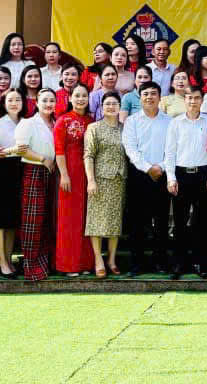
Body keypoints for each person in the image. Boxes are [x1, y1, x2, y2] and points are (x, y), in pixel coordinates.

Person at [165, 89, 207, 279]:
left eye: (196, 98)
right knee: (180, 221)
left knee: (201, 221)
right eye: (189, 98)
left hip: (202, 174)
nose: (193, 101)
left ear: (202, 100)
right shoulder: (176, 123)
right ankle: (179, 263)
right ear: (184, 100)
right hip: (181, 174)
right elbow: (170, 152)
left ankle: (200, 262)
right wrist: (171, 177)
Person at [123, 82, 174, 275]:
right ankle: (137, 263)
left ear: (160, 97)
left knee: (161, 221)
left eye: (154, 93)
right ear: (140, 97)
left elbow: (173, 148)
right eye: (145, 94)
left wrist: (160, 167)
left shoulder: (169, 121)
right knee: (137, 222)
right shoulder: (132, 121)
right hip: (139, 175)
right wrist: (147, 168)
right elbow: (130, 148)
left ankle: (160, 262)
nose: (150, 97)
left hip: (162, 174)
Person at [15, 88, 58, 281]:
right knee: (33, 220)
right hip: (34, 171)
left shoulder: (56, 122)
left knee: (48, 219)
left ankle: (45, 262)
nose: (48, 104)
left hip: (52, 173)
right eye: (45, 100)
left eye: (52, 100)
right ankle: (30, 265)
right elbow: (21, 149)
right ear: (37, 103)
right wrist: (42, 159)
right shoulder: (28, 123)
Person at [85, 92, 127, 278]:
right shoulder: (94, 128)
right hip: (100, 180)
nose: (111, 107)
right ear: (101, 107)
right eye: (107, 104)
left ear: (119, 107)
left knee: (115, 221)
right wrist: (91, 180)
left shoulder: (124, 128)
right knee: (96, 220)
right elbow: (88, 155)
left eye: (114, 103)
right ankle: (98, 259)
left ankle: (111, 259)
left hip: (119, 180)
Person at [54, 84, 95, 276]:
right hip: (69, 173)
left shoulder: (90, 121)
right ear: (70, 98)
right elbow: (59, 149)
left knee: (86, 218)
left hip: (88, 174)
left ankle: (85, 263)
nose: (80, 99)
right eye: (77, 95)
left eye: (84, 96)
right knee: (69, 219)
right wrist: (64, 174)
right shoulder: (63, 120)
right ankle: (68, 265)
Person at [0, 90, 26, 276]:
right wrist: (13, 150)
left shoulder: (25, 122)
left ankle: (10, 260)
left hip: (22, 169)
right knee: (1, 220)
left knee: (12, 221)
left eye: (18, 99)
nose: (14, 103)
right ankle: (2, 262)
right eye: (10, 100)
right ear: (3, 103)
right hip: (3, 171)